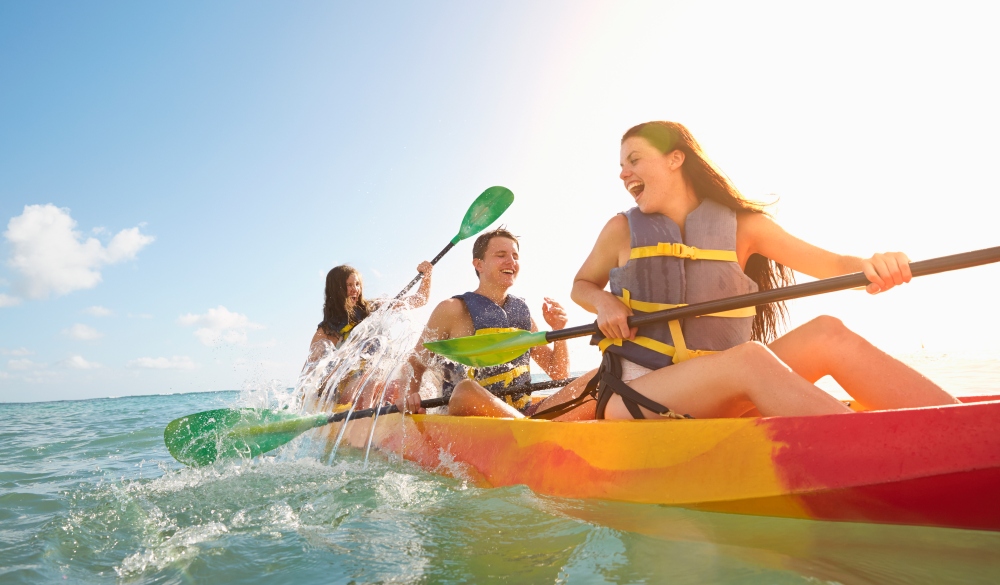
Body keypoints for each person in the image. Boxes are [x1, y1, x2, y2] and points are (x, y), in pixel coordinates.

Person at [535, 121, 958, 421]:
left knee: (828, 333)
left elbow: (831, 265)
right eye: (622, 164)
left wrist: (870, 266)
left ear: (675, 159)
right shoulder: (621, 229)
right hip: (639, 392)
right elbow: (581, 284)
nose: (623, 172)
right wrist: (603, 300)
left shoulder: (743, 227)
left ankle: (963, 432)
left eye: (634, 159)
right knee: (751, 360)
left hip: (724, 385)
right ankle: (885, 457)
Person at [393, 228, 571, 417]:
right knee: (465, 390)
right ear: (479, 264)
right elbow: (415, 363)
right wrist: (410, 395)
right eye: (501, 255)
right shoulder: (451, 309)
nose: (511, 262)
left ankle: (527, 426)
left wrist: (558, 330)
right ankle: (530, 429)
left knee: (598, 377)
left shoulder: (522, 314)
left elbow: (559, 375)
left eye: (515, 256)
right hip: (469, 414)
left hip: (521, 413)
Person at [304, 262, 433, 405]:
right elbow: (311, 369)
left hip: (376, 373)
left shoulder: (372, 308)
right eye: (349, 285)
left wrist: (427, 275)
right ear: (337, 290)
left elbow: (419, 299)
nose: (355, 290)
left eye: (357, 284)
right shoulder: (328, 329)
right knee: (366, 378)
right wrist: (308, 399)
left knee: (403, 372)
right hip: (346, 381)